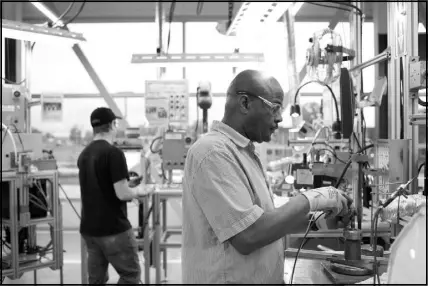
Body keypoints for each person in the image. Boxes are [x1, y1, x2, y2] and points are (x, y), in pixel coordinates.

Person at [181, 70, 353, 284]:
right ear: (245, 103)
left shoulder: (244, 152)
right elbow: (248, 235)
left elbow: (266, 219)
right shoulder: (212, 152)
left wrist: (319, 221)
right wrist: (313, 198)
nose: (280, 118)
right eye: (275, 108)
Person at [78, 107, 145, 284]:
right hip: (113, 229)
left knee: (96, 280)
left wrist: (127, 183)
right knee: (130, 276)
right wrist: (141, 191)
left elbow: (99, 185)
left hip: (90, 230)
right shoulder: (113, 153)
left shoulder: (84, 155)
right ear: (112, 125)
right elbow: (122, 194)